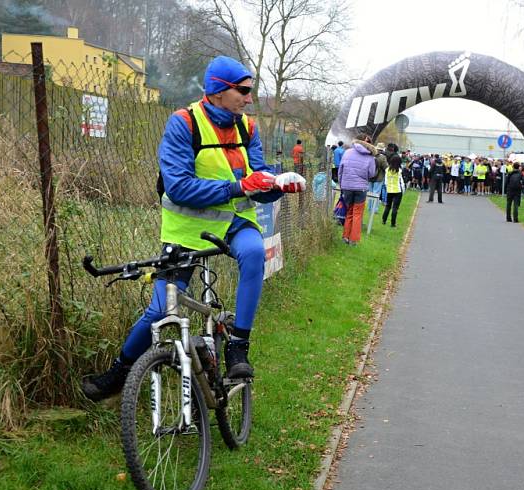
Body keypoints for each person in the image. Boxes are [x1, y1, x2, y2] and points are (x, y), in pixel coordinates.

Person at [81, 55, 306, 401]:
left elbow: (257, 182)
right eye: (243, 91)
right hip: (184, 232)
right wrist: (240, 187)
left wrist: (277, 185)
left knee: (253, 252)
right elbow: (179, 187)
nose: (249, 98)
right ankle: (120, 372)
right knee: (159, 311)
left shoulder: (247, 128)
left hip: (234, 224)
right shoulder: (183, 124)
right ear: (218, 91)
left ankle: (237, 348)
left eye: (250, 91)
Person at [339, 134, 377, 245]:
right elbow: (372, 174)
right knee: (357, 213)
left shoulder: (347, 152)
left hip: (347, 186)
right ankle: (353, 240)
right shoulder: (370, 157)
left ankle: (345, 236)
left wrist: (342, 184)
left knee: (349, 211)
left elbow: (341, 169)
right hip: (361, 188)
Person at [382, 154, 405, 227]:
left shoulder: (387, 170)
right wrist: (403, 191)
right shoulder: (399, 171)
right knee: (395, 208)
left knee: (388, 206)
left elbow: (385, 182)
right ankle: (393, 223)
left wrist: (388, 187)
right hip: (397, 190)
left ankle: (384, 220)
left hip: (389, 190)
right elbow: (401, 182)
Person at [369, 142, 388, 215]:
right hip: (379, 178)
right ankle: (374, 209)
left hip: (370, 177)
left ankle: (370, 208)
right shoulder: (382, 157)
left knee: (370, 193)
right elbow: (385, 167)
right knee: (376, 194)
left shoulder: (371, 155)